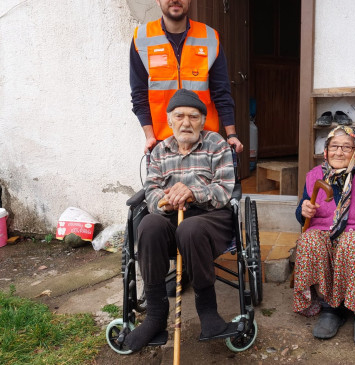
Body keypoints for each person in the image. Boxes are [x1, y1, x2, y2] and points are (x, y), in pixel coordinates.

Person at [124, 89, 236, 351]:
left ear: (202, 120)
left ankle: (208, 314)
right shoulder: (161, 151)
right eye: (180, 116)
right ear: (170, 119)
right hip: (170, 215)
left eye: (194, 117)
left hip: (209, 216)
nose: (186, 122)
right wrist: (163, 202)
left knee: (190, 228)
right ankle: (155, 316)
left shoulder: (216, 144)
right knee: (149, 225)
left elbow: (224, 190)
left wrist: (193, 192)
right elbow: (151, 191)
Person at [293, 126, 355, 347]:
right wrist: (303, 210)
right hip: (324, 232)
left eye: (346, 147)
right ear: (325, 150)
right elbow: (303, 215)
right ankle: (331, 309)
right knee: (309, 240)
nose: (339, 152)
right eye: (334, 146)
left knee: (350, 244)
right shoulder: (314, 175)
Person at [130, 0, 243, 154]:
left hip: (205, 142)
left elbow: (221, 91)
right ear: (157, 1)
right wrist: (150, 137)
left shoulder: (210, 37)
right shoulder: (141, 38)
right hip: (162, 144)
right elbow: (139, 94)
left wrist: (232, 134)